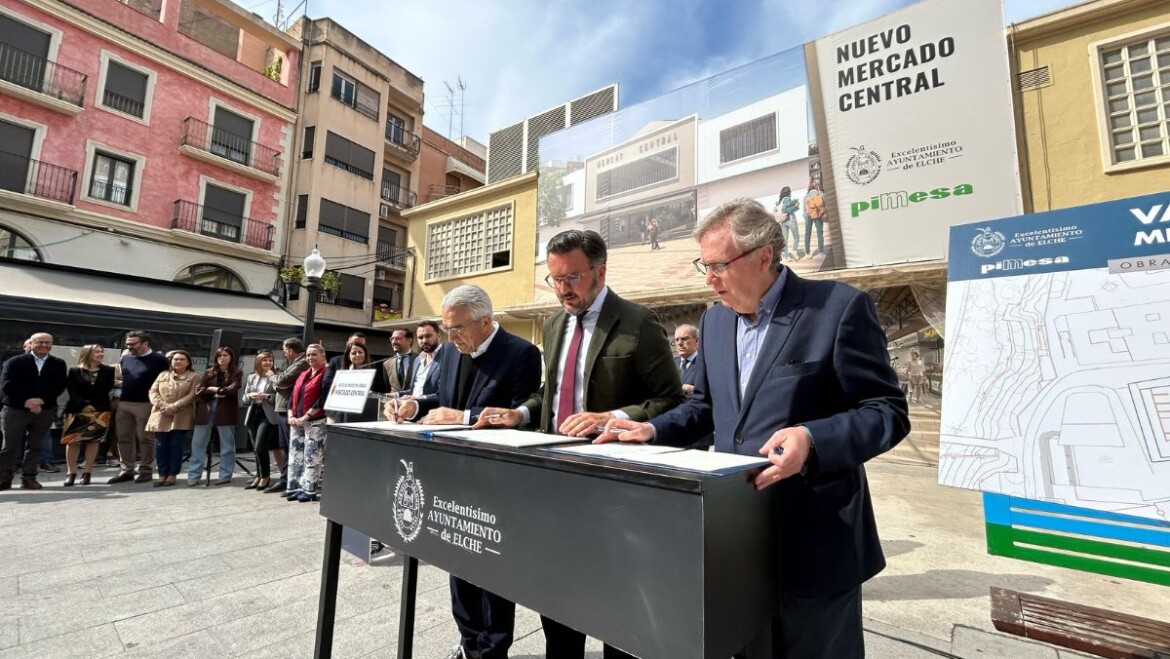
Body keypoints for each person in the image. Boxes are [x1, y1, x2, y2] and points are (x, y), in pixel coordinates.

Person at [599, 198, 910, 659]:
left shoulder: (839, 308)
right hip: (738, 540)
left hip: (815, 539)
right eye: (703, 266)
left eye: (719, 265)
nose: (709, 279)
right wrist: (652, 430)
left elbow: (886, 410)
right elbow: (706, 407)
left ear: (764, 255)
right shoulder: (717, 320)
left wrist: (812, 438)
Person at [476, 229, 682, 658]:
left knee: (617, 608)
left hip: (613, 488)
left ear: (599, 272)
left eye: (571, 278)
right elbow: (550, 392)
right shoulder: (553, 326)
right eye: (554, 279)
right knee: (560, 600)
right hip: (555, 484)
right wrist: (522, 413)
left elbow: (670, 400)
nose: (562, 290)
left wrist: (617, 416)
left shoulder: (638, 323)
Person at [389, 285, 542, 659]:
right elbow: (442, 399)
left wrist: (467, 418)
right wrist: (414, 405)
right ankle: (468, 640)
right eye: (446, 328)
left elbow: (525, 417)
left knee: (492, 570)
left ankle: (493, 648)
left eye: (457, 328)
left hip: (495, 482)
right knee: (458, 565)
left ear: (486, 321)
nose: (450, 336)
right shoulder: (449, 352)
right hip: (452, 477)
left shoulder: (521, 354)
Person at [0, 333, 67, 490]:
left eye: (48, 343)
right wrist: (28, 402)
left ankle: (29, 478)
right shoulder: (14, 362)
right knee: (9, 446)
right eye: (40, 342)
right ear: (31, 344)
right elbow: (7, 385)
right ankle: (4, 477)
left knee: (36, 445)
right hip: (15, 409)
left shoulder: (58, 363)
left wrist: (41, 400)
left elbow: (59, 385)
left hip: (44, 410)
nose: (44, 345)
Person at [109, 330, 169, 484]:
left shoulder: (159, 360)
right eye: (127, 344)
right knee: (123, 437)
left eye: (133, 344)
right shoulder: (126, 358)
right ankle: (127, 470)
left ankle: (146, 470)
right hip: (124, 403)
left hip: (146, 404)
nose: (129, 347)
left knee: (145, 438)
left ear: (145, 343)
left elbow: (165, 382)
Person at [61, 344, 116, 486]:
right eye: (97, 352)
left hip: (99, 410)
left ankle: (87, 473)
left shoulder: (109, 370)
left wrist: (92, 404)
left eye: (101, 352)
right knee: (73, 441)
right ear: (87, 354)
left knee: (93, 441)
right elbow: (72, 390)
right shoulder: (74, 371)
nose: (100, 354)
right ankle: (71, 473)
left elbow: (106, 390)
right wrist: (83, 404)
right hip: (76, 410)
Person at [188, 346, 242, 486]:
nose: (222, 358)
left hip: (225, 410)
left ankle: (225, 474)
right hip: (205, 410)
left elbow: (232, 390)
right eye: (219, 356)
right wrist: (217, 392)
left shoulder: (236, 373)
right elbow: (199, 391)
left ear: (231, 357)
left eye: (225, 355)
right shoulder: (208, 372)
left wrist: (213, 389)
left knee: (227, 445)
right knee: (198, 443)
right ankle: (194, 475)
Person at [146, 350, 198, 487]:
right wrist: (163, 406)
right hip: (160, 414)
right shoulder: (163, 375)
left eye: (182, 359)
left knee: (176, 445)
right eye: (175, 359)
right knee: (161, 445)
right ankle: (162, 474)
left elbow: (192, 395)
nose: (178, 362)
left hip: (181, 415)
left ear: (188, 362)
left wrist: (174, 407)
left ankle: (172, 474)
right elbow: (153, 391)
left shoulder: (194, 376)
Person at [263, 338, 309, 494]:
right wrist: (278, 382)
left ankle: (292, 481)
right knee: (285, 446)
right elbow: (282, 382)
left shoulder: (301, 363)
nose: (284, 353)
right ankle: (286, 479)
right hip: (283, 409)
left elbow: (282, 381)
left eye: (284, 350)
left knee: (292, 447)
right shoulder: (295, 363)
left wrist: (271, 375)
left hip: (291, 410)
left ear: (290, 350)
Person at [286, 344, 327, 502]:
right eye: (308, 355)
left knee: (312, 457)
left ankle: (308, 490)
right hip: (296, 421)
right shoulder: (303, 373)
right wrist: (291, 415)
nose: (310, 358)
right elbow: (292, 397)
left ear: (322, 356)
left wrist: (306, 417)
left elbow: (323, 399)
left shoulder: (327, 373)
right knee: (295, 456)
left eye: (314, 354)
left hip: (315, 422)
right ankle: (294, 487)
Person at [242, 350, 278, 491]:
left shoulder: (275, 377)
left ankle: (266, 476)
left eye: (270, 360)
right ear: (258, 362)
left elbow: (280, 397)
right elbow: (244, 398)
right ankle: (258, 475)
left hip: (267, 414)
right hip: (253, 413)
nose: (268, 363)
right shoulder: (252, 377)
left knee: (260, 445)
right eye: (265, 360)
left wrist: (267, 397)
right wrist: (251, 395)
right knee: (255, 448)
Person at [673, 324, 712, 451]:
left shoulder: (706, 363)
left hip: (696, 433)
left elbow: (713, 391)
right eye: (677, 340)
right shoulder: (672, 364)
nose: (679, 343)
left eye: (684, 339)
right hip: (673, 428)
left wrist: (691, 389)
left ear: (696, 341)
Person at [331, 342, 386, 423]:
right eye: (353, 353)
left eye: (360, 352)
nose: (357, 355)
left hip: (368, 412)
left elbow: (381, 392)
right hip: (346, 413)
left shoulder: (376, 372)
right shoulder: (342, 374)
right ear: (349, 357)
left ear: (365, 354)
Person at [773, 186, 802, 261]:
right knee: (796, 237)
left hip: (783, 221)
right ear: (789, 193)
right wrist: (796, 206)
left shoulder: (780, 201)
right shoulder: (787, 199)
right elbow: (786, 209)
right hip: (790, 220)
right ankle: (794, 251)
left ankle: (786, 256)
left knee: (785, 239)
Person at [384, 328, 417, 392]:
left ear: (409, 341)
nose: (393, 342)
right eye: (392, 339)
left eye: (398, 339)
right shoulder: (387, 363)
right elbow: (387, 388)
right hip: (393, 400)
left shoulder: (420, 359)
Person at [803, 179, 827, 257]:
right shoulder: (819, 193)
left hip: (808, 215)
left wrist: (806, 215)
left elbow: (804, 208)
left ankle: (807, 253)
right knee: (819, 233)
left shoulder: (806, 196)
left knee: (807, 233)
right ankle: (820, 252)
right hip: (817, 214)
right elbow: (824, 202)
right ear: (816, 186)